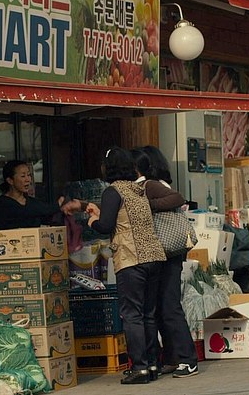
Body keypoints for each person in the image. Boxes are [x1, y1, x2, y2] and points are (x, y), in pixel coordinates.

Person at [86, 147, 166, 385]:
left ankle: (139, 368)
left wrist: (92, 221)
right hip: (154, 256)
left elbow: (105, 225)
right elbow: (124, 218)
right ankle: (152, 364)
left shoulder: (113, 191)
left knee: (131, 315)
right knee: (148, 314)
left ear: (108, 167)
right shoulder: (138, 189)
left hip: (131, 259)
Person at [132, 145, 199, 378]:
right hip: (163, 254)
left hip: (169, 254)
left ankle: (188, 359)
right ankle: (172, 357)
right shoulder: (149, 185)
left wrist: (147, 206)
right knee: (161, 308)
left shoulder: (151, 185)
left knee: (170, 307)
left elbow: (177, 198)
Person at [0, 160, 83, 230]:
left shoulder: (32, 202)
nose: (28, 179)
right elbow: (27, 211)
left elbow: (46, 214)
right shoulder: (1, 202)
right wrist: (58, 206)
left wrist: (66, 208)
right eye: (23, 176)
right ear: (10, 180)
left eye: (29, 175)